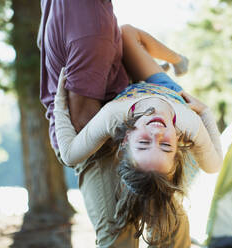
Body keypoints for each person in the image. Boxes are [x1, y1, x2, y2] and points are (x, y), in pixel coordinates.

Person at [39, 0, 193, 246]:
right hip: (95, 141)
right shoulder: (91, 29)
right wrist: (141, 149)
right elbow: (83, 120)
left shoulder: (89, 14)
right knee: (120, 229)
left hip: (126, 126)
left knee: (172, 223)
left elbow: (119, 44)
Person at [53, 24, 223, 246]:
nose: (157, 132)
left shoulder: (114, 115)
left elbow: (69, 154)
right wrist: (206, 113)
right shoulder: (189, 123)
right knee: (127, 34)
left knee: (124, 34)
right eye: (165, 146)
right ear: (178, 145)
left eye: (143, 143)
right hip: (167, 91)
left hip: (132, 97)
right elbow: (214, 165)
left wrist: (60, 101)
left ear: (125, 138)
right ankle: (177, 60)